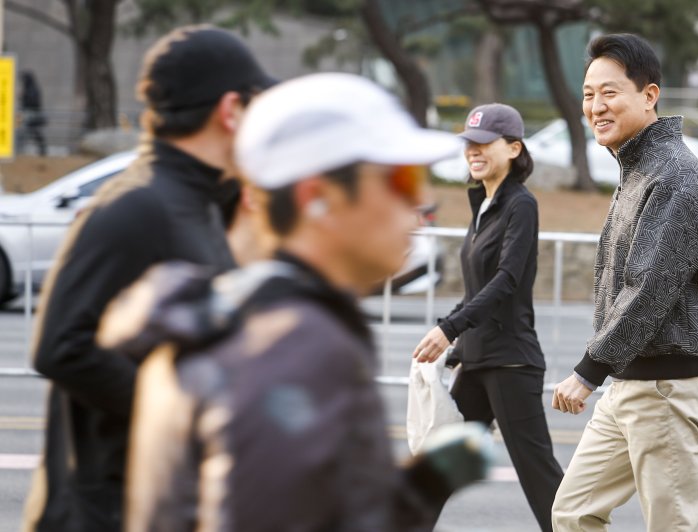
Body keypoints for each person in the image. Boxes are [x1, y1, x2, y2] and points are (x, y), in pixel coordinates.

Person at [96, 73, 488, 532]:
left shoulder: (249, 320)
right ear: (316, 198)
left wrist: (420, 490)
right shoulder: (296, 350)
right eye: (398, 179)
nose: (418, 201)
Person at [22, 25, 277, 532]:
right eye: (256, 106)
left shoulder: (199, 201)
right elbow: (60, 347)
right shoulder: (135, 206)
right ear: (230, 110)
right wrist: (183, 415)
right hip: (101, 511)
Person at [551, 33, 698, 531]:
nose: (595, 106)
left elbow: (649, 287)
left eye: (609, 92)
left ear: (649, 95)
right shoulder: (639, 167)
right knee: (573, 512)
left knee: (671, 525)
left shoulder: (673, 175)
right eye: (588, 94)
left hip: (668, 384)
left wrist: (589, 370)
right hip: (633, 379)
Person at [413, 103, 564, 531]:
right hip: (479, 361)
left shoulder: (521, 205)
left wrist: (449, 329)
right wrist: (454, 343)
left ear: (514, 148)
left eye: (484, 144)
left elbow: (506, 282)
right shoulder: (483, 204)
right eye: (469, 144)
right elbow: (477, 292)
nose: (473, 151)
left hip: (511, 362)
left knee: (542, 482)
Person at [19, 71, 47, 156]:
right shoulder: (29, 88)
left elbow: (33, 101)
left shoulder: (32, 88)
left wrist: (24, 98)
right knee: (25, 133)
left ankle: (42, 150)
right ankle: (19, 149)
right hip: (27, 114)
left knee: (33, 133)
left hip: (32, 115)